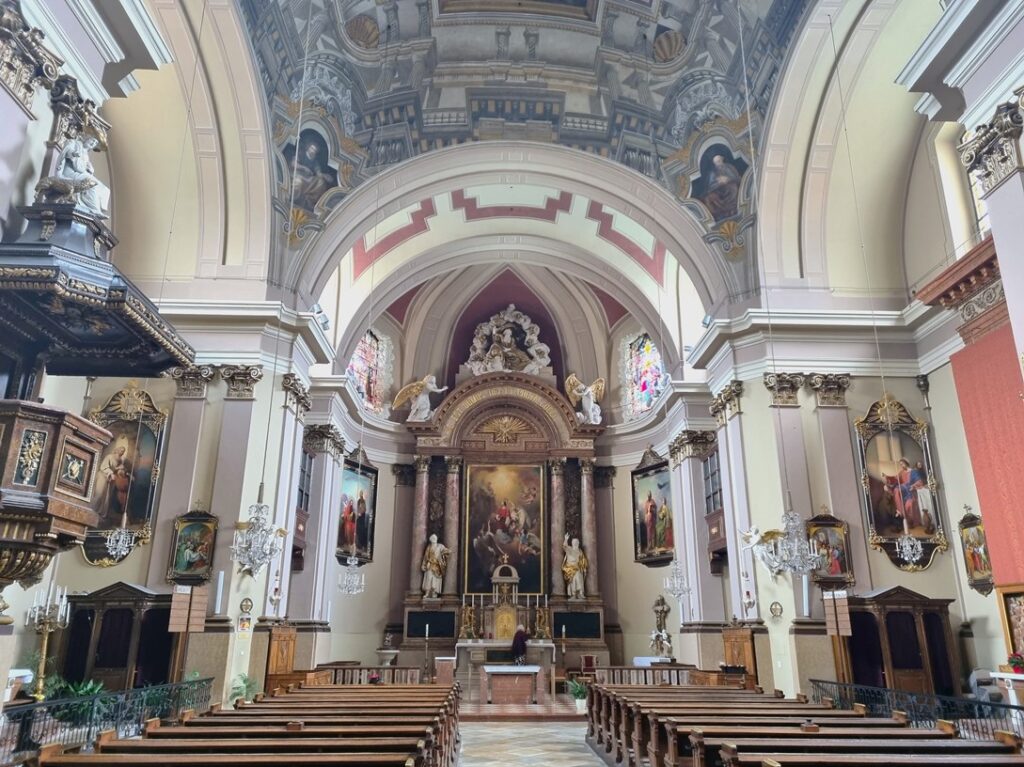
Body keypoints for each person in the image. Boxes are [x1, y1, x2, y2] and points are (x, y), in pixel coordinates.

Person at [56, 133, 110, 215]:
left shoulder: (86, 154)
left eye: (95, 143)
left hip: (80, 174)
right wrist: (72, 154)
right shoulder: (74, 143)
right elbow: (66, 151)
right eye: (93, 140)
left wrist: (90, 168)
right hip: (69, 172)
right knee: (92, 183)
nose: (93, 144)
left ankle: (96, 208)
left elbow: (83, 167)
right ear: (86, 138)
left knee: (105, 189)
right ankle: (94, 209)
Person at [702, 153, 740, 221]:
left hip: (730, 187)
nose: (718, 164)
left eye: (719, 161)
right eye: (716, 163)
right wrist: (718, 183)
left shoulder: (729, 167)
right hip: (718, 190)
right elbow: (710, 187)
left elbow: (737, 178)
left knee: (733, 188)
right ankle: (719, 215)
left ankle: (732, 209)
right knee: (709, 198)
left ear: (722, 160)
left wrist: (727, 179)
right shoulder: (713, 172)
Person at [420, 534, 449, 599]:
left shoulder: (440, 546)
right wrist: (423, 565)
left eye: (434, 538)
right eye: (432, 538)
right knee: (429, 579)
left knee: (435, 580)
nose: (433, 539)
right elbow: (425, 557)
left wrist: (442, 555)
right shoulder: (429, 547)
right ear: (431, 540)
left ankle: (434, 593)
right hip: (430, 565)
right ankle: (427, 593)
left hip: (437, 566)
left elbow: (447, 551)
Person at [562, 533, 587, 600]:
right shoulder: (569, 549)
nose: (575, 543)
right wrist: (566, 539)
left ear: (578, 543)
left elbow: (582, 560)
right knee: (572, 581)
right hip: (570, 568)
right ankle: (573, 594)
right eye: (574, 542)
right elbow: (564, 546)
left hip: (578, 568)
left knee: (579, 579)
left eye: (576, 542)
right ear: (572, 543)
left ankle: (580, 593)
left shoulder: (580, 551)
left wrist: (584, 567)